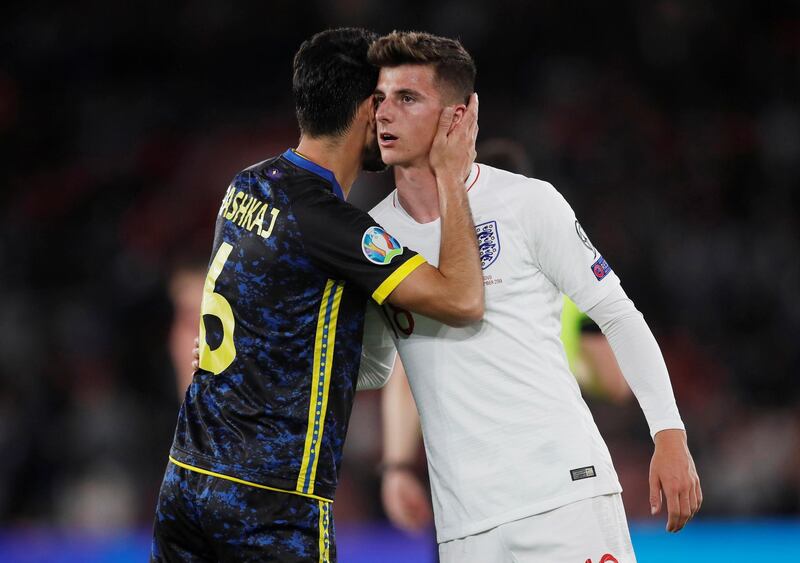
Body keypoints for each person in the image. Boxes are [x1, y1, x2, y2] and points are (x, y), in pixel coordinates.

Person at [359, 31, 701, 562]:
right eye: (379, 98)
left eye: (407, 98)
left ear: (459, 114)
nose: (384, 114)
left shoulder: (526, 203)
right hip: (465, 525)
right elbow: (374, 367)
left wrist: (669, 433)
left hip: (563, 496)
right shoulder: (371, 236)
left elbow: (616, 313)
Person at [152, 28, 483, 563]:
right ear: (364, 111)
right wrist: (450, 173)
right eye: (385, 100)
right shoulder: (334, 225)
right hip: (271, 502)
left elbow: (273, 314)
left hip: (187, 477)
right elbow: (464, 299)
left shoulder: (247, 184)